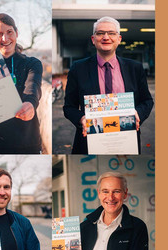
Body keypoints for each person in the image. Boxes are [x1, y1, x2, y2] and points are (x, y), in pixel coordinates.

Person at [63, 16, 154, 154]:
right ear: (93, 39)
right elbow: (69, 107)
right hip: (89, 141)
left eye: (111, 33)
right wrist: (81, 118)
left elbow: (147, 101)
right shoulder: (78, 68)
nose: (106, 37)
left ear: (119, 39)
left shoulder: (135, 68)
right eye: (100, 33)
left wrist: (138, 113)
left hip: (126, 140)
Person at [0, 13, 43, 154]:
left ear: (17, 33)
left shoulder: (31, 63)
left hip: (27, 142)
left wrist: (30, 103)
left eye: (9, 32)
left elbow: (33, 86)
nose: (5, 39)